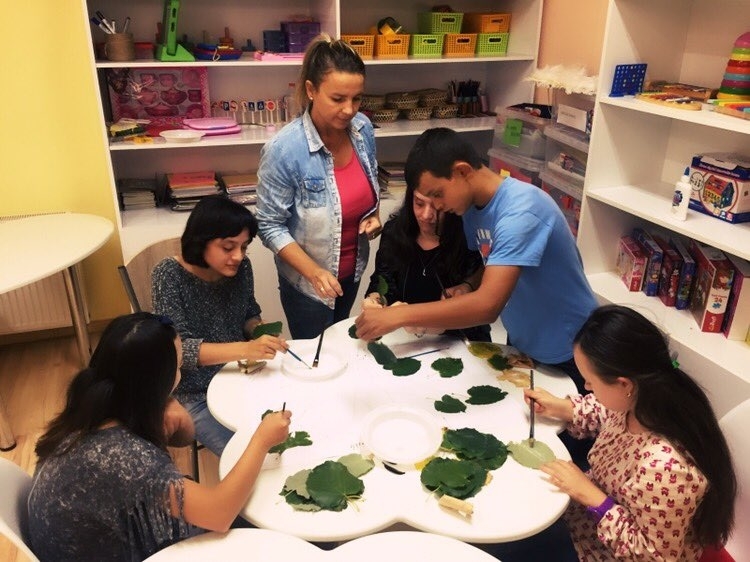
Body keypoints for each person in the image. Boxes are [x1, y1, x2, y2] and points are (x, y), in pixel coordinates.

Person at [28, 312, 291, 562]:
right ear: (157, 382)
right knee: (261, 520)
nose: (180, 373)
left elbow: (182, 436)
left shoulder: (90, 410)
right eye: (178, 366)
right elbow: (219, 514)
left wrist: (169, 410)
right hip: (129, 553)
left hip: (96, 542)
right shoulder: (127, 459)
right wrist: (261, 440)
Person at [355, 127, 598, 395]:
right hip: (524, 340)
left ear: (462, 171)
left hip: (574, 349)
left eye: (437, 194)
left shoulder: (522, 211)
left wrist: (398, 315)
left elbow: (488, 306)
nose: (435, 208)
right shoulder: (473, 210)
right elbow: (493, 260)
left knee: (574, 420)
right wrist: (469, 285)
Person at [525, 305, 736, 561]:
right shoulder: (643, 399)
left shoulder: (665, 468)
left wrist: (592, 497)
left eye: (590, 380)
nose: (587, 387)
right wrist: (563, 408)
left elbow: (653, 556)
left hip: (609, 549)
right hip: (592, 517)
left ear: (624, 384)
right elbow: (605, 412)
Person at [256, 34, 381, 340]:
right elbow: (269, 225)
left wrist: (374, 215)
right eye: (338, 99)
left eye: (357, 98)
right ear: (311, 90)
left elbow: (368, 187)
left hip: (352, 272)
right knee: (314, 356)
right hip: (308, 287)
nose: (349, 109)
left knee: (340, 347)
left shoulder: (362, 129)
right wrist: (314, 272)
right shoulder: (285, 149)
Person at [152, 195, 288, 456]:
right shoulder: (169, 275)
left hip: (241, 374)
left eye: (244, 247)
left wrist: (261, 331)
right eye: (228, 247)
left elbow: (248, 313)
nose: (238, 256)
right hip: (194, 393)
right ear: (201, 241)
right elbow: (179, 352)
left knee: (289, 431)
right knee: (253, 456)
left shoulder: (241, 268)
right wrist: (247, 349)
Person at [362, 179, 491, 342]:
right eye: (419, 203)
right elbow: (384, 280)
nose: (426, 215)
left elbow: (480, 305)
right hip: (408, 340)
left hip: (461, 340)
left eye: (437, 206)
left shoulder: (470, 237)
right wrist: (375, 300)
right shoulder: (395, 231)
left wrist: (434, 323)